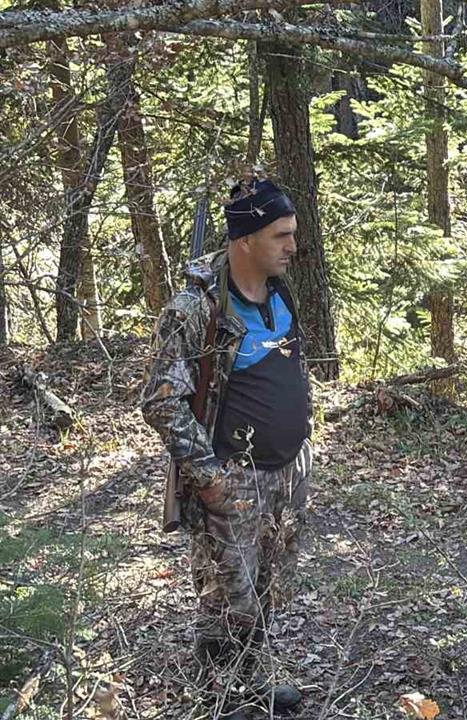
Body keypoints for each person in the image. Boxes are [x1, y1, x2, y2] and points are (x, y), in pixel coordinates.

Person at [141, 178, 314, 719]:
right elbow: (161, 401)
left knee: (265, 590)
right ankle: (218, 702)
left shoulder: (278, 290)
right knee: (223, 600)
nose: (292, 246)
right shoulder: (196, 309)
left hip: (286, 474)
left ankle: (252, 684)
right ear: (244, 239)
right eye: (280, 235)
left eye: (293, 235)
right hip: (232, 479)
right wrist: (210, 477)